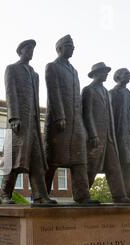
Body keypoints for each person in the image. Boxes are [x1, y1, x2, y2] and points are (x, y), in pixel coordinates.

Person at [0, 39, 56, 204]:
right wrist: (14, 117)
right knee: (13, 160)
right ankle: (4, 195)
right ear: (20, 51)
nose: (31, 52)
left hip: (33, 125)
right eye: (28, 49)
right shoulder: (12, 69)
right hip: (18, 123)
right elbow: (10, 93)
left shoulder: (34, 74)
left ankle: (40, 195)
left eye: (32, 49)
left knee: (37, 160)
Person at [44, 35, 97, 204]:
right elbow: (54, 92)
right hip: (59, 122)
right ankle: (42, 194)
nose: (73, 48)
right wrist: (59, 115)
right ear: (59, 48)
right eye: (69, 45)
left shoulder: (74, 71)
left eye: (73, 46)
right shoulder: (52, 67)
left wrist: (82, 125)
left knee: (80, 160)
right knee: (52, 160)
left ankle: (82, 195)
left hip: (76, 123)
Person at [82, 62, 129, 203]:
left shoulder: (106, 93)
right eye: (104, 72)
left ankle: (119, 196)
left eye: (107, 72)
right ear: (96, 74)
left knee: (114, 166)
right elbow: (86, 114)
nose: (107, 74)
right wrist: (92, 134)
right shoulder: (88, 90)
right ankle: (82, 196)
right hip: (96, 136)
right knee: (91, 167)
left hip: (109, 137)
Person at [110, 68, 130, 202]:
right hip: (118, 134)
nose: (129, 76)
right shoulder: (112, 93)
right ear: (117, 77)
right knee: (122, 164)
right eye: (125, 74)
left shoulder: (129, 93)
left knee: (129, 164)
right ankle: (122, 194)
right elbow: (109, 116)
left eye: (129, 74)